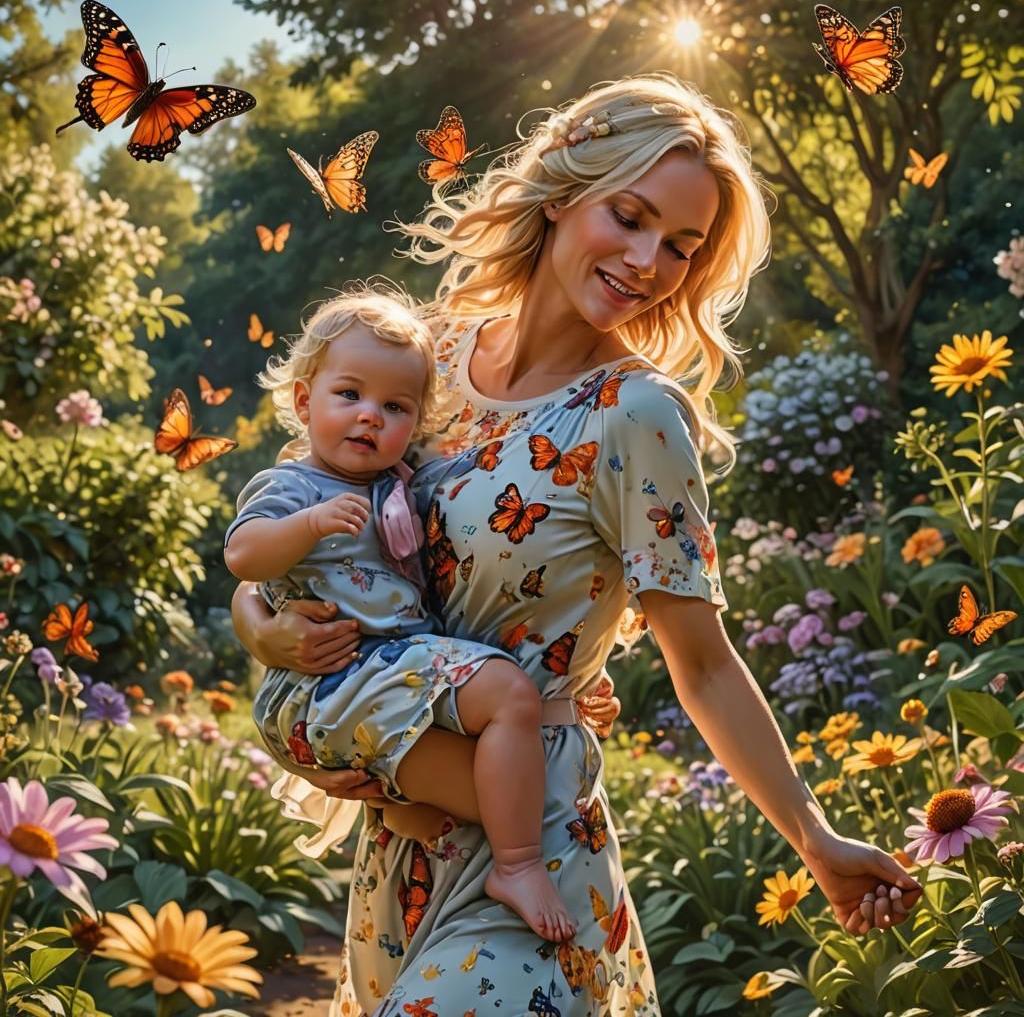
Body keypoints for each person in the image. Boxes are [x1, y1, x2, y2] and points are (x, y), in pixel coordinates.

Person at [232, 73, 924, 1016]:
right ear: (563, 192)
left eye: (681, 246)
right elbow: (301, 519)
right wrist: (259, 629)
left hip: (532, 847)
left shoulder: (636, 413)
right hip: (402, 840)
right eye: (630, 217)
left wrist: (816, 840)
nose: (649, 261)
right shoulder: (427, 355)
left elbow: (705, 664)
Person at [224, 286, 578, 942]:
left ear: (415, 424)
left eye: (394, 407)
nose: (369, 417)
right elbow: (242, 555)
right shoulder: (294, 486)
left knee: (493, 792)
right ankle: (518, 864)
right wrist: (309, 524)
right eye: (349, 395)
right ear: (305, 402)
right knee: (506, 706)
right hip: (332, 683)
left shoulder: (399, 481)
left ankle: (417, 811)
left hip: (387, 676)